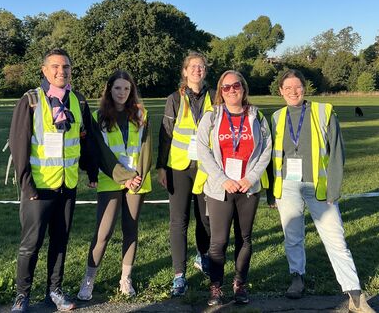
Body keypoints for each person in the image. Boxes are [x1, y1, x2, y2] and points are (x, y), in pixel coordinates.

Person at [9, 49, 139, 313]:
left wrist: (93, 172)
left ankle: (54, 291)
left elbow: (90, 141)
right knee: (30, 244)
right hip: (38, 188)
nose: (61, 71)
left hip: (67, 186)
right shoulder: (31, 100)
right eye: (55, 66)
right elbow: (19, 145)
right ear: (44, 70)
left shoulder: (77, 101)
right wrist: (26, 184)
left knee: (60, 241)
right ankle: (22, 295)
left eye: (66, 67)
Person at [268, 69, 375, 313]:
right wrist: (270, 192)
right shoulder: (276, 117)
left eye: (297, 87)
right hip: (287, 186)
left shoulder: (323, 111)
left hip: (320, 187)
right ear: (280, 92)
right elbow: (271, 157)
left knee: (336, 238)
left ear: (305, 88)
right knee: (292, 236)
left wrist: (334, 189)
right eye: (287, 88)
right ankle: (297, 277)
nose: (293, 92)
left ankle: (354, 294)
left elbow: (337, 152)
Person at [196, 70, 272, 306]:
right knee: (218, 242)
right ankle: (216, 287)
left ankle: (240, 284)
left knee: (244, 238)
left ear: (243, 88)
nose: (231, 90)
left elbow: (266, 149)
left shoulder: (256, 116)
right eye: (226, 87)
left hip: (248, 188)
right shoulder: (212, 115)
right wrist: (222, 179)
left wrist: (250, 177)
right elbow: (202, 149)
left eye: (236, 86)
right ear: (220, 91)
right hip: (220, 188)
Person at [77, 70, 152, 300]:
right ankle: (88, 279)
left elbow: (147, 148)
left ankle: (125, 279)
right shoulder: (99, 116)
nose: (122, 93)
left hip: (137, 181)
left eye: (127, 89)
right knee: (104, 232)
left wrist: (137, 176)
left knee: (131, 230)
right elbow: (101, 151)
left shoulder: (141, 113)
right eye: (118, 88)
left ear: (132, 91)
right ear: (110, 89)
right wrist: (124, 177)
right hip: (111, 178)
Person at [156, 52, 214, 296]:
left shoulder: (215, 97)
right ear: (185, 71)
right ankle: (179, 274)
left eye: (200, 66)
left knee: (205, 219)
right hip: (179, 167)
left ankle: (203, 258)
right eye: (193, 67)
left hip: (206, 169)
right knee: (178, 221)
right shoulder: (175, 98)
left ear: (205, 71)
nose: (197, 70)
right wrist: (161, 166)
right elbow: (166, 133)